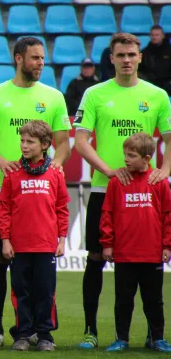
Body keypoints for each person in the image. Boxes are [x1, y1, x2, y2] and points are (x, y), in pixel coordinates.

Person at [73, 32, 171, 350]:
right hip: (106, 190)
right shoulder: (94, 94)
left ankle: (154, 334)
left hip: (147, 192)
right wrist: (107, 170)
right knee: (96, 257)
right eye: (120, 55)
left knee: (149, 264)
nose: (126, 60)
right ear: (111, 58)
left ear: (140, 57)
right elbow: (81, 141)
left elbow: (169, 140)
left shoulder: (157, 95)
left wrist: (164, 172)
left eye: (131, 54)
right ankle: (91, 330)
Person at [0, 36, 71, 349]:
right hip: (1, 189)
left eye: (43, 58)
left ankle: (35, 331)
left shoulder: (54, 97)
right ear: (18, 58)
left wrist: (53, 166)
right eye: (34, 58)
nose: (40, 63)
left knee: (37, 275)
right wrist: (6, 165)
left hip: (39, 192)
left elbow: (64, 143)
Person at [0, 120, 69, 352]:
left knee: (45, 292)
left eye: (30, 142)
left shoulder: (55, 173)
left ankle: (45, 335)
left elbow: (61, 208)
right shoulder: (12, 173)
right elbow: (5, 209)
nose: (24, 145)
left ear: (46, 144)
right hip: (19, 246)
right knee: (21, 292)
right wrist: (6, 240)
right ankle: (23, 334)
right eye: (22, 140)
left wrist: (62, 239)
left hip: (47, 245)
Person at [100, 132, 171, 352]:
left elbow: (168, 215)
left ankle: (157, 338)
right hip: (124, 254)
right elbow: (107, 214)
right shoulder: (116, 183)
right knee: (123, 300)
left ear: (147, 158)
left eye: (131, 155)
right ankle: (122, 339)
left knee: (154, 301)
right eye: (125, 154)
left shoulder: (159, 182)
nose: (126, 159)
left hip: (152, 254)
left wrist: (167, 245)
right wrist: (107, 243)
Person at [139, 26, 171, 95]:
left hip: (168, 83)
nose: (154, 37)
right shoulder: (144, 52)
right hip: (150, 84)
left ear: (163, 36)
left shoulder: (169, 51)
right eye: (152, 35)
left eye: (157, 35)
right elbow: (139, 70)